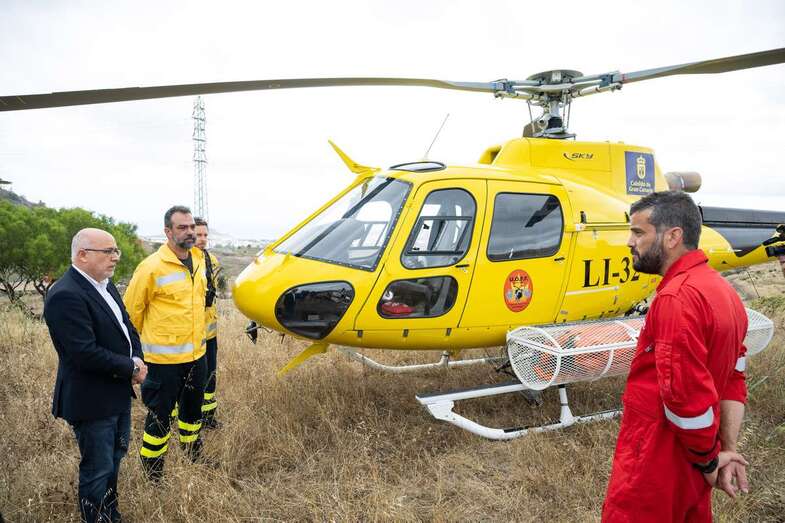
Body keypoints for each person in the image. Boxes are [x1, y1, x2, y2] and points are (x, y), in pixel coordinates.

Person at [602, 191, 749, 522]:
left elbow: (683, 398)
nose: (629, 242)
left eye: (639, 232)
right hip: (697, 460)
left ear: (672, 236)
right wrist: (724, 450)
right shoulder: (725, 292)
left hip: (657, 460)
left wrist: (710, 461)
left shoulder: (676, 298)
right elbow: (734, 378)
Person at [44, 228, 147, 522]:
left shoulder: (104, 284)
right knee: (98, 469)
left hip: (115, 394)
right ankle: (97, 518)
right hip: (91, 400)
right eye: (108, 252)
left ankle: (110, 515)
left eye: (116, 251)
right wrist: (131, 368)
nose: (115, 258)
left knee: (114, 461)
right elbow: (83, 353)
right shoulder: (65, 295)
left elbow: (126, 325)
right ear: (83, 255)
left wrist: (136, 356)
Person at [124, 206, 209, 481]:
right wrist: (132, 359)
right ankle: (153, 471)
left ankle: (193, 453)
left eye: (191, 226)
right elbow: (131, 315)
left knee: (192, 412)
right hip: (163, 363)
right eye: (182, 227)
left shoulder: (198, 259)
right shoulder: (150, 267)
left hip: (197, 356)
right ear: (168, 231)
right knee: (160, 418)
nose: (189, 232)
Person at [194, 217, 222, 428]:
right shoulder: (183, 261)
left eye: (205, 235)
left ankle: (208, 416)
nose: (202, 239)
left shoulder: (212, 260)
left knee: (209, 375)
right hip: (190, 334)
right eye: (198, 235)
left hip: (209, 333)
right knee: (190, 378)